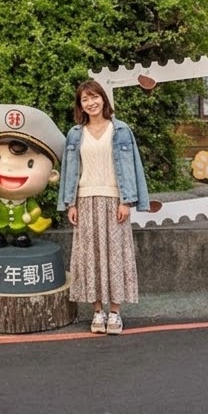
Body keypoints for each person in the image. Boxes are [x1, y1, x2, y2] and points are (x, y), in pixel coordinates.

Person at [57, 80, 150, 335]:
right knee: (90, 257)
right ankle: (97, 311)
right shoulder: (75, 134)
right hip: (85, 201)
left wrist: (126, 200)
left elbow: (132, 167)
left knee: (116, 256)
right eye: (85, 99)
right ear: (80, 105)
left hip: (114, 201)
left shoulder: (120, 130)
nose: (91, 103)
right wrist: (71, 203)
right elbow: (70, 171)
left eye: (95, 97)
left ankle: (115, 313)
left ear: (103, 99)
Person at [0, 104, 66, 248]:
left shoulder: (27, 201)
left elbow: (35, 210)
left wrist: (30, 216)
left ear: (52, 175)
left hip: (20, 226)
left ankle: (19, 236)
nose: (9, 169)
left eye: (30, 163)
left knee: (21, 239)